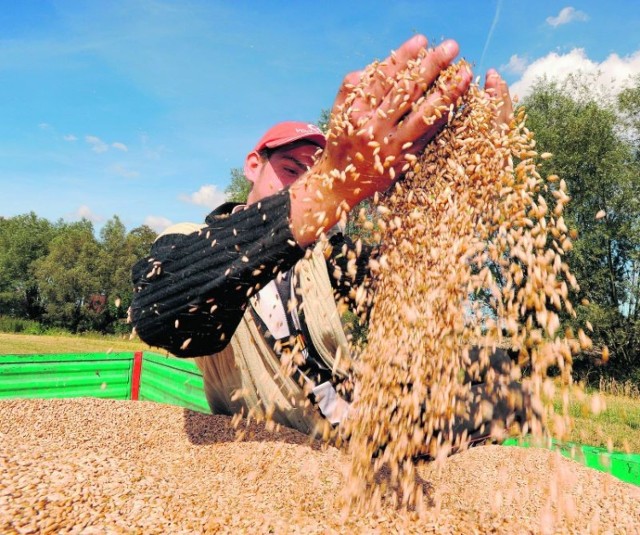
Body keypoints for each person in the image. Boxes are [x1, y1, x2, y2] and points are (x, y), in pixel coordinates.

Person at [130, 35, 526, 443]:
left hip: (365, 440)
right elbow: (160, 315)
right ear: (253, 164)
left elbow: (410, 297)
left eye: (317, 171)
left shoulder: (326, 255)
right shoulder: (191, 241)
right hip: (275, 456)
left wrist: (453, 203)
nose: (303, 180)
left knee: (509, 397)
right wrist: (319, 195)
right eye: (291, 168)